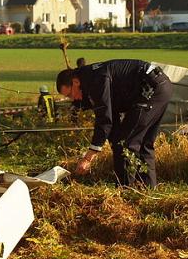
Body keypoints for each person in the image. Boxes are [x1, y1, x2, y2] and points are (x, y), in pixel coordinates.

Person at [56, 59, 173, 187]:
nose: (72, 99)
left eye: (70, 94)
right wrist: (112, 141)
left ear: (75, 82)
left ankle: (126, 190)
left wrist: (88, 157)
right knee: (142, 144)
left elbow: (105, 120)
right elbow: (111, 117)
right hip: (161, 86)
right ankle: (148, 189)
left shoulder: (95, 80)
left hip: (151, 88)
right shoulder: (88, 77)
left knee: (126, 144)